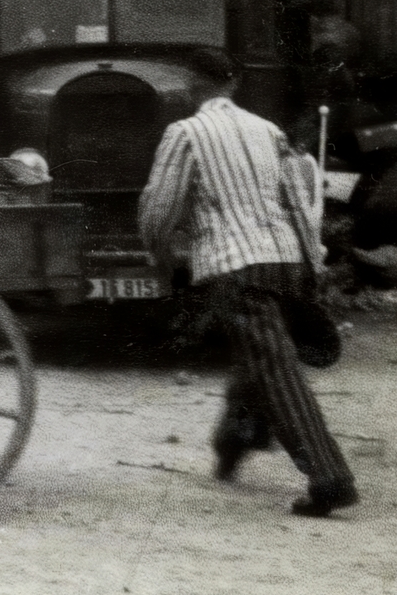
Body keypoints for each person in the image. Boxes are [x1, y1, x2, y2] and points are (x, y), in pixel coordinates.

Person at [139, 48, 357, 517]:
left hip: (235, 263)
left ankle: (329, 477)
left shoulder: (186, 133)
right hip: (286, 259)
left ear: (191, 85)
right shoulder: (269, 130)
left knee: (275, 368)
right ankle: (233, 442)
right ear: (233, 84)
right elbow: (299, 200)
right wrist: (311, 262)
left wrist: (162, 259)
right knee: (261, 351)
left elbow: (159, 210)